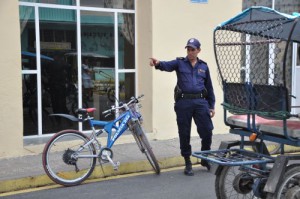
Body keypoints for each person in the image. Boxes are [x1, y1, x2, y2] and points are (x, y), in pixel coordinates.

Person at [149, 38, 215, 176]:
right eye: (188, 49)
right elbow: (166, 65)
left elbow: (209, 87)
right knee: (184, 133)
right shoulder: (180, 63)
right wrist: (158, 63)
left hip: (200, 102)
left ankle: (204, 157)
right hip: (184, 103)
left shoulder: (204, 66)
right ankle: (187, 161)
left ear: (198, 51)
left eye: (193, 49)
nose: (190, 52)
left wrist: (211, 106)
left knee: (207, 130)